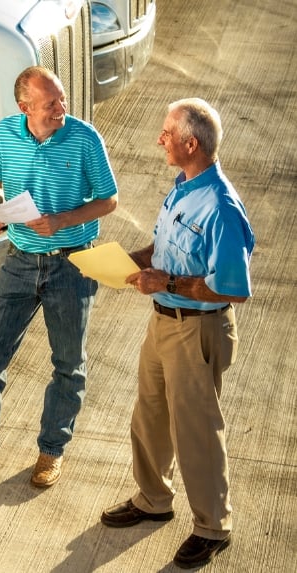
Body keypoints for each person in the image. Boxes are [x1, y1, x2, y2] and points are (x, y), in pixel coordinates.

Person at [0, 66, 118, 490]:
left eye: (62, 99)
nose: (61, 108)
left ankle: (51, 452)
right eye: (51, 103)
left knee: (68, 365)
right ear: (25, 108)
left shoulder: (84, 137)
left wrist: (63, 220)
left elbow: (109, 199)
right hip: (18, 261)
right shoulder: (5, 134)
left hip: (71, 264)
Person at [100, 98, 254, 570]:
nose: (159, 140)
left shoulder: (222, 209)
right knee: (149, 416)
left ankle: (212, 526)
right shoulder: (183, 186)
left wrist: (164, 283)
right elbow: (166, 245)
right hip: (163, 322)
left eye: (167, 133)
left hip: (198, 330)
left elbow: (232, 289)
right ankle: (153, 499)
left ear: (192, 143)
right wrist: (136, 260)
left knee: (197, 433)